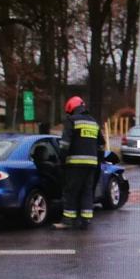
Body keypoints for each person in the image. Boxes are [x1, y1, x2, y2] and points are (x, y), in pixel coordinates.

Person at [53, 96, 105, 230]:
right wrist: (98, 161)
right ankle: (85, 220)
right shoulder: (93, 122)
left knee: (71, 192)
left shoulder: (71, 121)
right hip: (91, 165)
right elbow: (101, 144)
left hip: (75, 164)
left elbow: (64, 145)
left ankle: (68, 221)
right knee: (87, 191)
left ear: (71, 108)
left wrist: (61, 160)